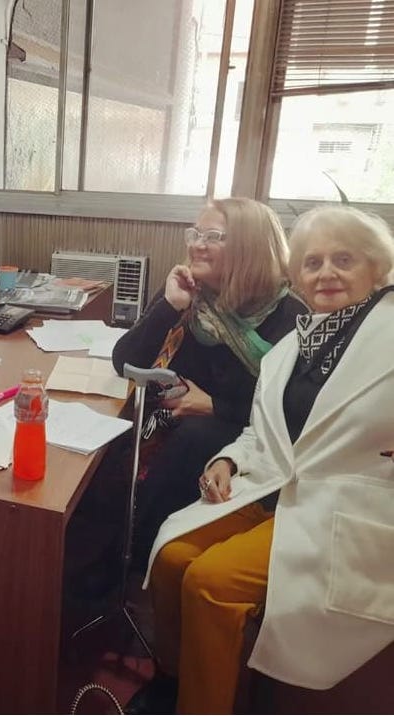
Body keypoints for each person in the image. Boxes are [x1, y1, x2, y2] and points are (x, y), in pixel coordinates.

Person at [128, 205, 394, 714]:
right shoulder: (296, 344)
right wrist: (228, 461)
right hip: (274, 489)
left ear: (376, 267)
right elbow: (263, 427)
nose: (326, 273)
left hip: (343, 506)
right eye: (313, 263)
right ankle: (173, 679)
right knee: (172, 557)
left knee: (210, 581)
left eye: (343, 260)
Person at [112, 197, 304, 569]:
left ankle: (138, 558)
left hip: (240, 434)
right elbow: (125, 362)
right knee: (111, 441)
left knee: (195, 436)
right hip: (164, 420)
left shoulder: (289, 317)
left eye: (213, 236)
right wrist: (170, 305)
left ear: (249, 248)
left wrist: (215, 406)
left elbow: (291, 411)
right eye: (195, 234)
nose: (197, 244)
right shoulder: (190, 291)